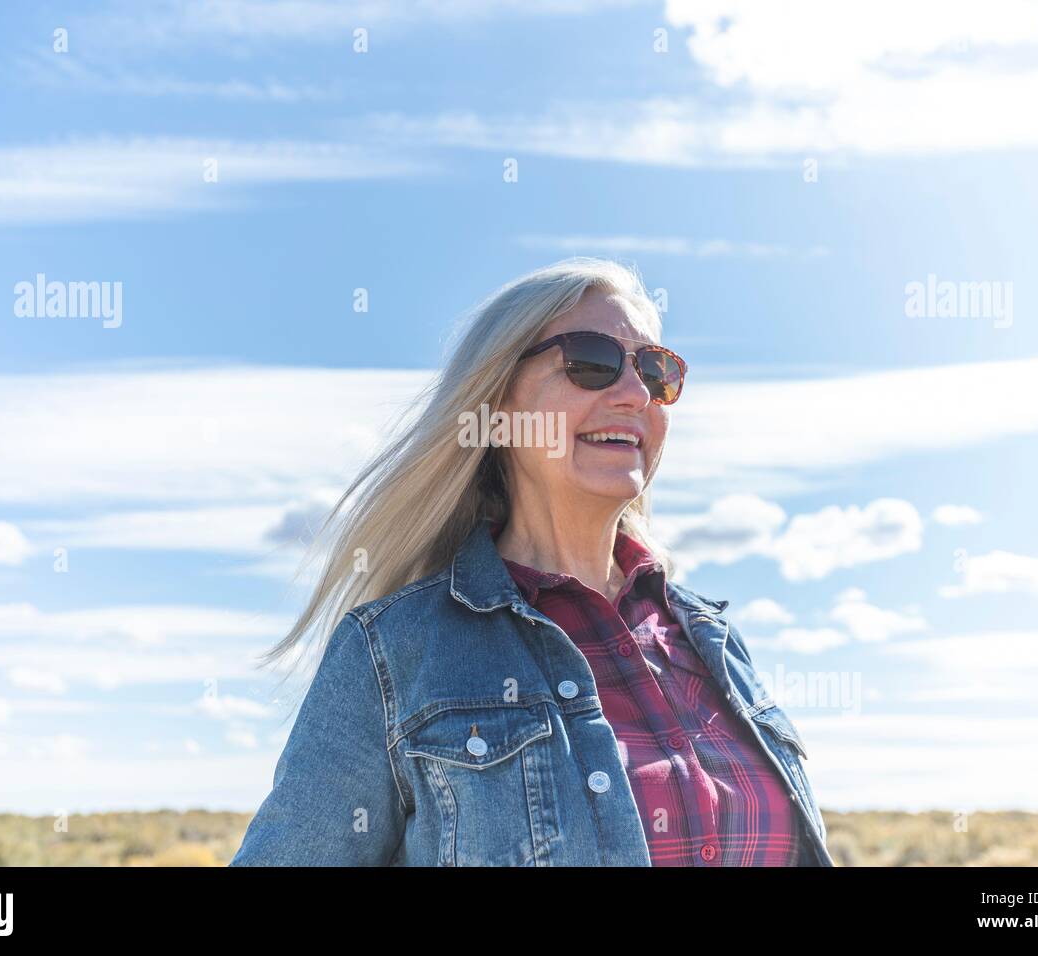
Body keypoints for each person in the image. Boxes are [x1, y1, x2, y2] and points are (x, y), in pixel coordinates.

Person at [230, 258, 832, 866]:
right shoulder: (391, 652)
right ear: (496, 407)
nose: (634, 393)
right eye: (590, 362)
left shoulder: (712, 639)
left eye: (655, 371)